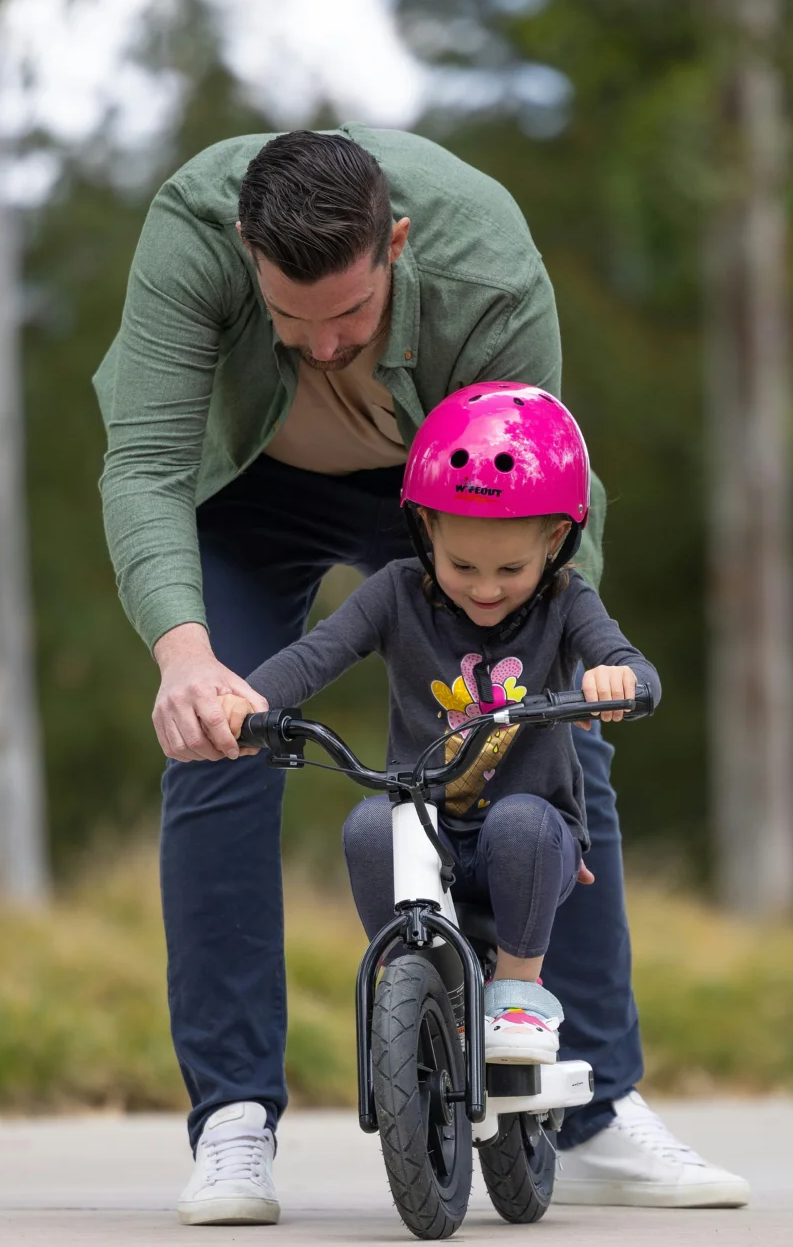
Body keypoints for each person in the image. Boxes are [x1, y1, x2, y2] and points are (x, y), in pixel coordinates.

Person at [93, 126, 749, 1225]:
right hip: (250, 495)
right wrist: (185, 656)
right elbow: (147, 461)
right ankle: (233, 1124)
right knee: (221, 735)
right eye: (289, 321)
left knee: (557, 744)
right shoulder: (191, 232)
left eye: (349, 315)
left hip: (456, 498)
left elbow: (544, 483)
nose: (321, 347)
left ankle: (590, 1109)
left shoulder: (486, 260)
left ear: (394, 242)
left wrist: (574, 668)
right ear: (247, 252)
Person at [222, 382, 653, 1082]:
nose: (484, 589)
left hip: (534, 831)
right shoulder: (396, 593)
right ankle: (412, 988)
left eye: (510, 569)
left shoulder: (567, 603)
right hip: (430, 828)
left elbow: (633, 667)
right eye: (462, 566)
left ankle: (518, 993)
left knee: (517, 822)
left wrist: (617, 680)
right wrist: (246, 700)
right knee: (369, 826)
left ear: (555, 540)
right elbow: (317, 653)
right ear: (426, 533)